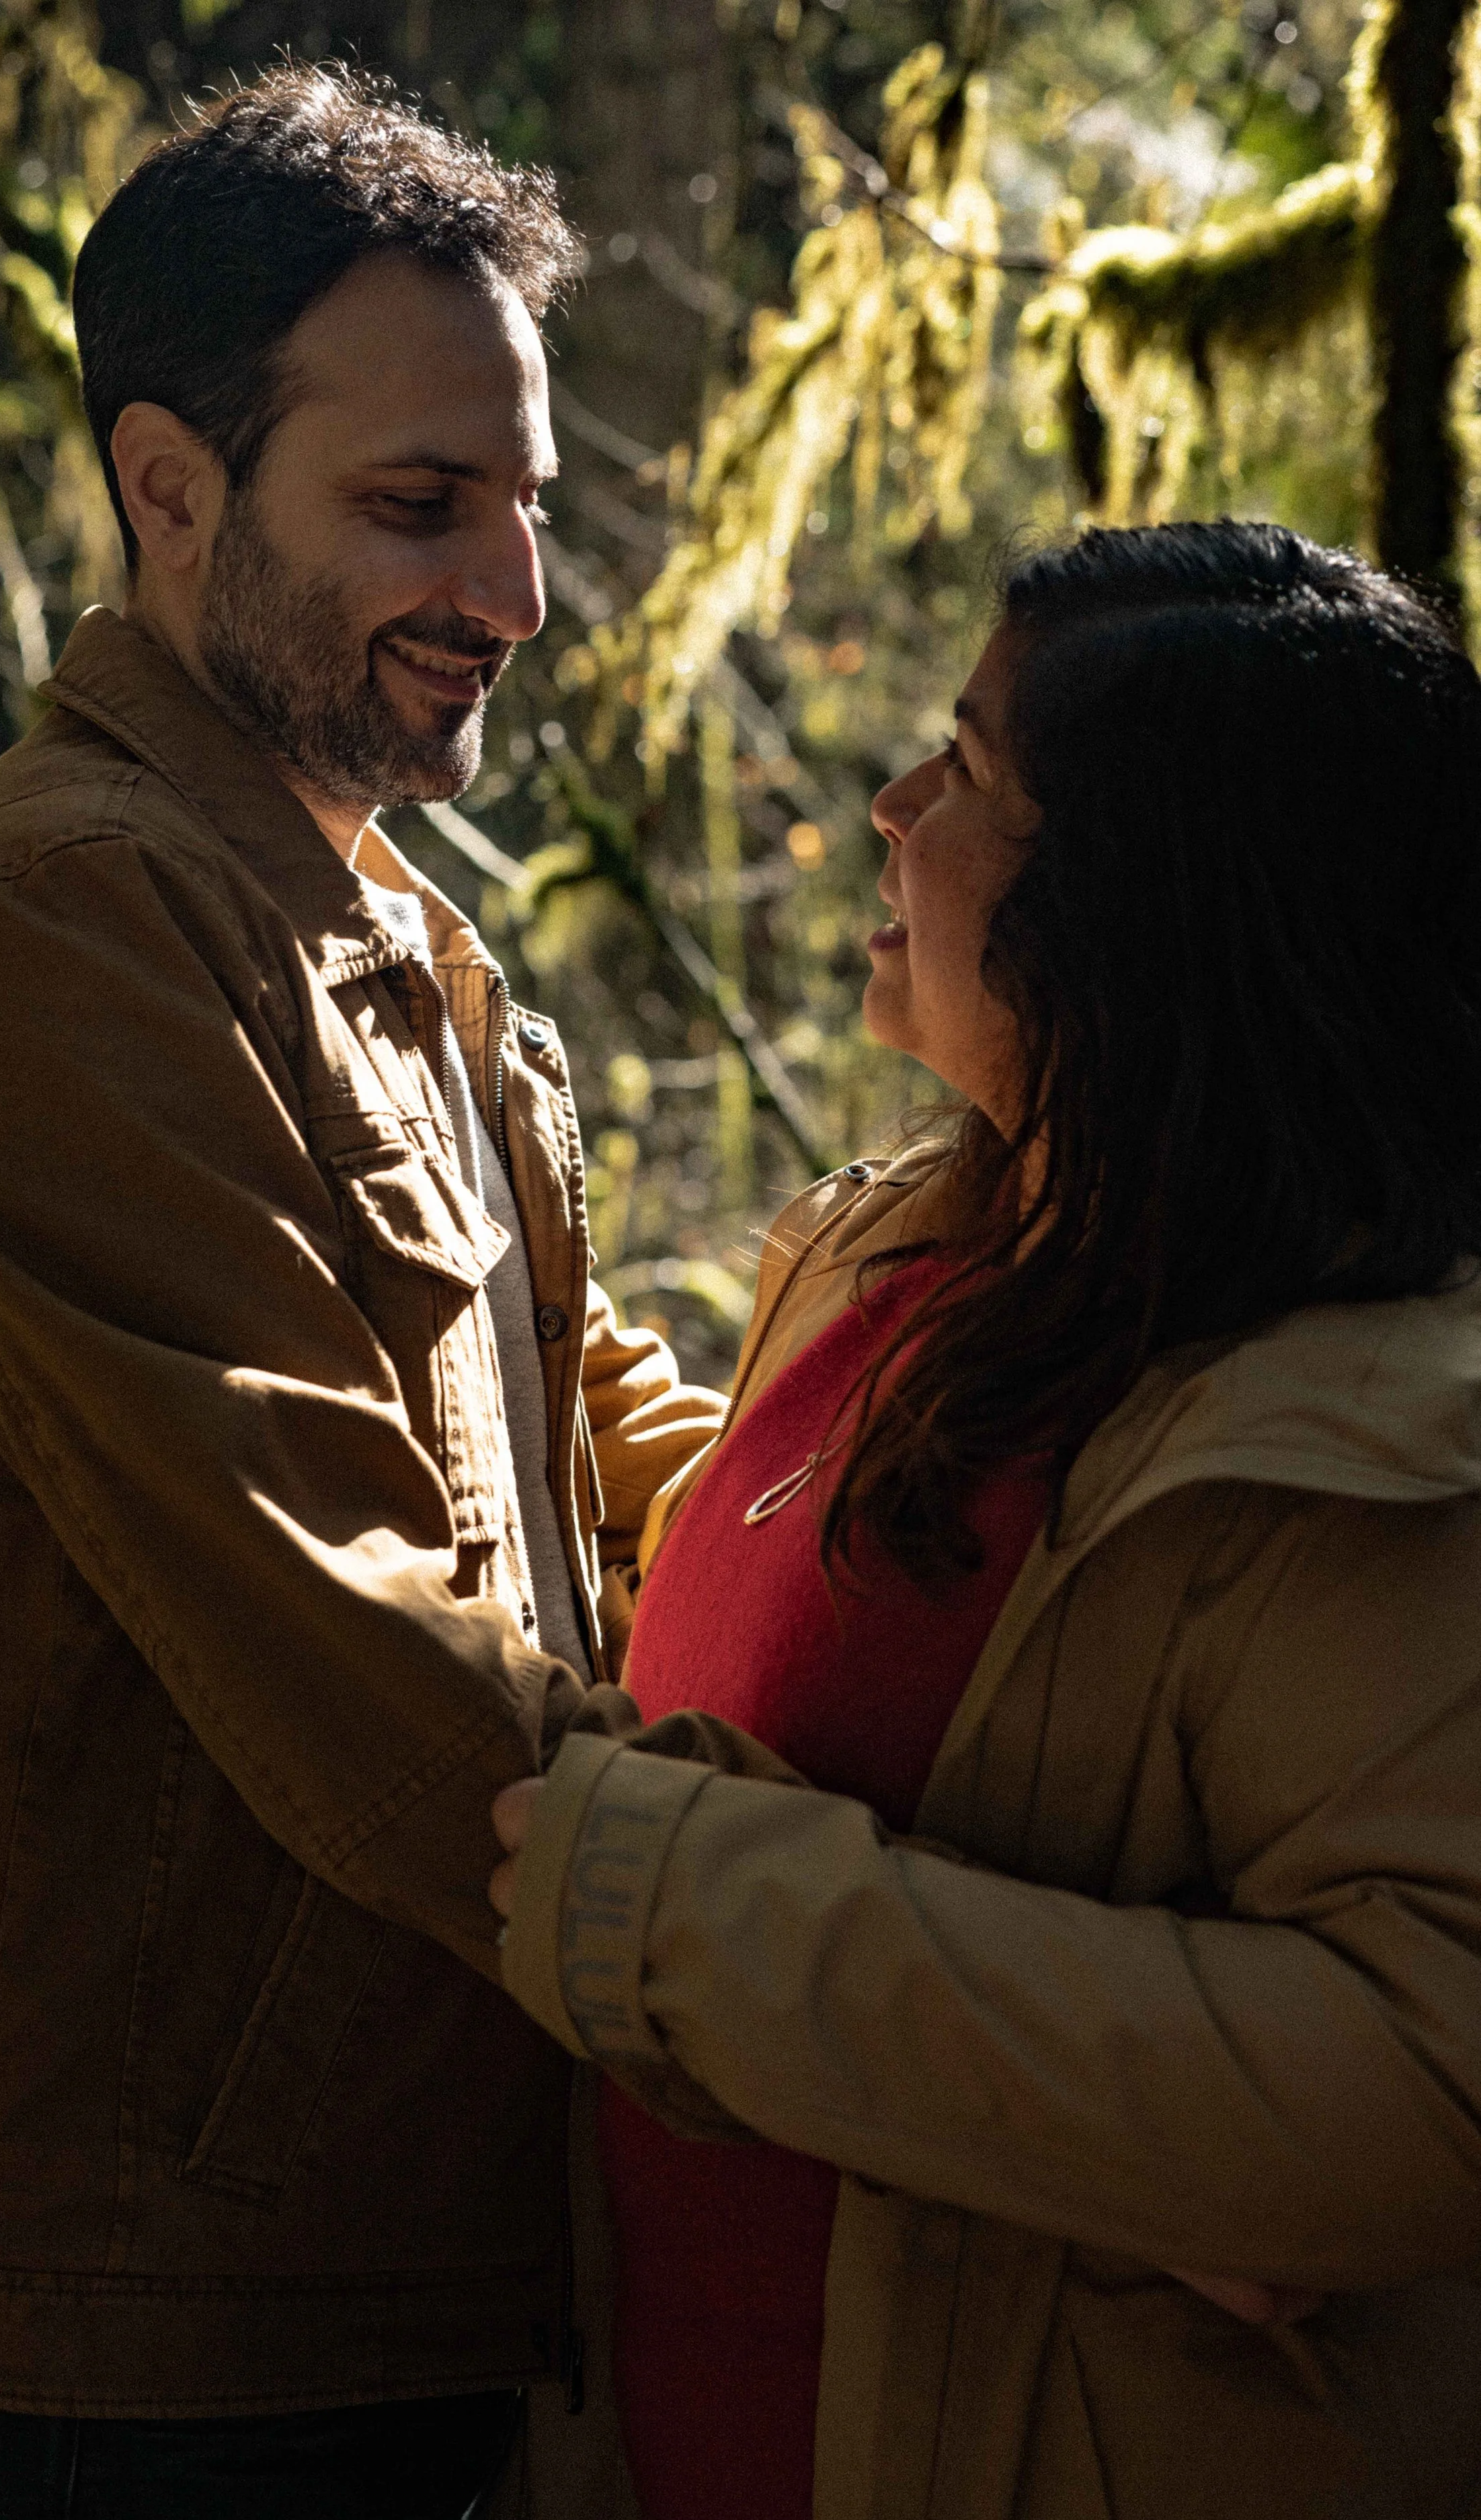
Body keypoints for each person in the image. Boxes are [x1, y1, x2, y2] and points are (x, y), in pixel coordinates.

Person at [0, 66, 723, 2519]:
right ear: (169, 489)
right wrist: (908, 1971)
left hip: (363, 2281)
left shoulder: (391, 920)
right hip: (101, 2363)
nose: (510, 597)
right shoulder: (53, 924)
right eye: (418, 509)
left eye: (524, 503)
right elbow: (343, 1627)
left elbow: (589, 1422)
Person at [491, 522, 1481, 2520]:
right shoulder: (905, 1252)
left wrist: (680, 1909)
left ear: (1132, 913)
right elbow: (832, 1652)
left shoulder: (1364, 1447)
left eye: (964, 766)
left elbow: (1417, 2088)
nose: (889, 804)